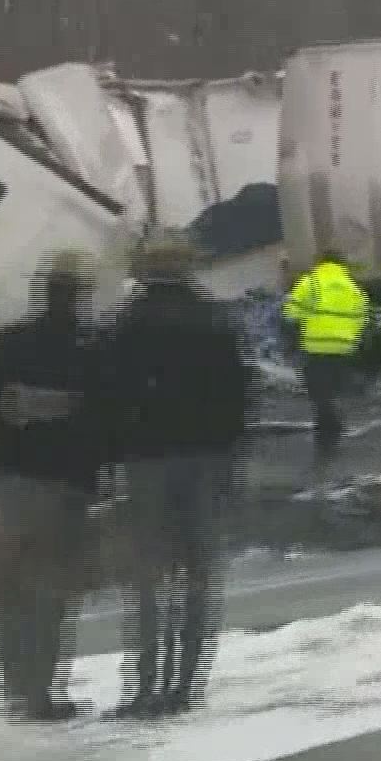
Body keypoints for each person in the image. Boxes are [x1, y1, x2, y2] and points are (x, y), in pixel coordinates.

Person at [103, 230, 256, 718]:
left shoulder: (127, 322)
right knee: (198, 577)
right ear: (189, 268)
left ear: (146, 270)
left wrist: (110, 455)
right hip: (208, 459)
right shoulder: (216, 319)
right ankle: (186, 687)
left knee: (148, 578)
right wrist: (233, 458)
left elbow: (108, 395)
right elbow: (240, 395)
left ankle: (145, 688)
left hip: (147, 460)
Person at [0, 250, 105, 722]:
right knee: (52, 593)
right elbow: (112, 421)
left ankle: (14, 690)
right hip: (66, 484)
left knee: (12, 589)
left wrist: (11, 429)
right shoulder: (93, 350)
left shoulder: (9, 342)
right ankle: (40, 692)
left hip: (9, 478)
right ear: (80, 295)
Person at [282, 249, 370, 475]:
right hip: (343, 347)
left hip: (316, 346)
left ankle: (328, 430)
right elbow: (363, 319)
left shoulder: (311, 283)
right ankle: (330, 427)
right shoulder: (353, 287)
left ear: (320, 263)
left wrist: (293, 339)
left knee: (319, 392)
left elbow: (291, 313)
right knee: (334, 389)